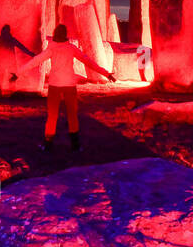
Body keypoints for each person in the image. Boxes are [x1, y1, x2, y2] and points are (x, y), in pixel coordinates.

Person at [10, 24, 115, 152]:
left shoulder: (52, 49)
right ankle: (75, 145)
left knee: (52, 115)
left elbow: (35, 61)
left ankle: (48, 145)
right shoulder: (71, 48)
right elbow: (88, 61)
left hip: (55, 85)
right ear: (65, 34)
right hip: (69, 85)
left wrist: (18, 73)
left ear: (55, 34)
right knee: (72, 115)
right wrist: (106, 73)